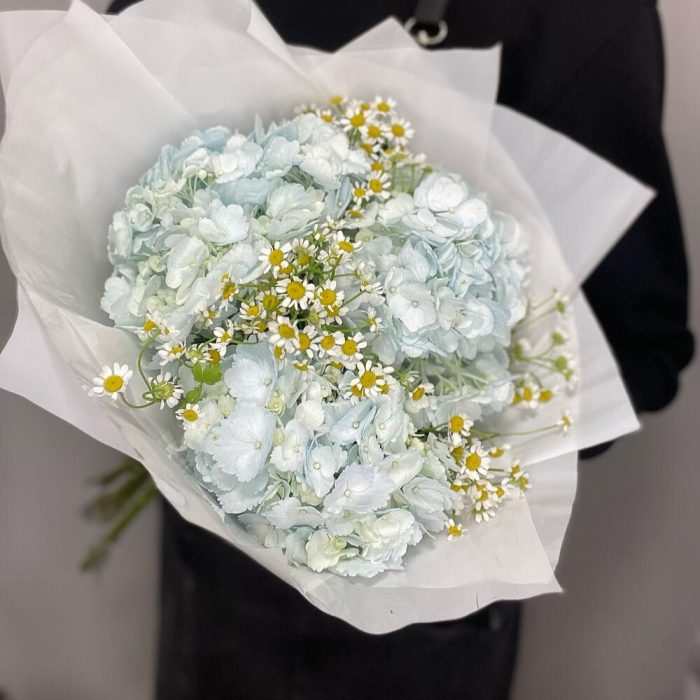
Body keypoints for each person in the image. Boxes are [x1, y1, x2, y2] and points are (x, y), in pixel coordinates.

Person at [106, 1, 695, 698]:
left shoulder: (580, 17)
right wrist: (216, 405)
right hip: (218, 567)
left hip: (421, 596)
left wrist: (407, 444)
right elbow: (114, 109)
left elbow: (638, 354)